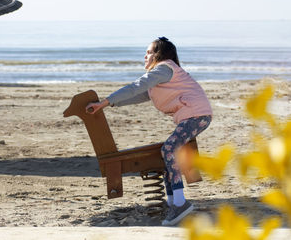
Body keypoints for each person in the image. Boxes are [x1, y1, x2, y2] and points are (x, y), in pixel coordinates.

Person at [86, 37, 212, 226]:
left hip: (197, 115)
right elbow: (139, 95)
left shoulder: (163, 68)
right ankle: (173, 203)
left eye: (149, 52)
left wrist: (104, 101)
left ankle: (179, 203)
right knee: (168, 153)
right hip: (194, 115)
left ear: (159, 54)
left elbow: (136, 86)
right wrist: (109, 104)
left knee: (169, 149)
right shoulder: (161, 76)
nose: (145, 56)